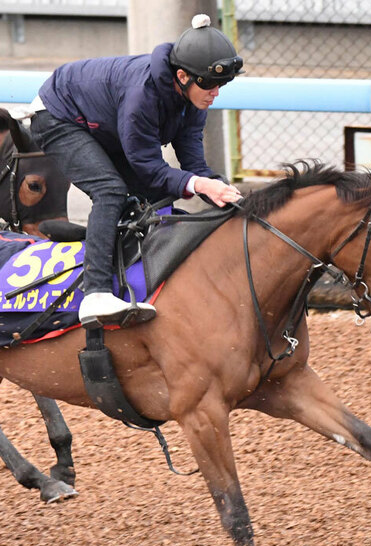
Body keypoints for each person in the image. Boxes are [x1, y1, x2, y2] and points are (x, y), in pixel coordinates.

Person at [29, 14, 245, 328]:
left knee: (154, 197)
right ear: (182, 76)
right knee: (110, 191)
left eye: (221, 85)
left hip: (106, 123)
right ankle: (96, 294)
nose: (215, 92)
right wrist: (199, 185)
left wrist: (222, 191)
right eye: (209, 84)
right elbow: (149, 167)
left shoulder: (194, 101)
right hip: (59, 115)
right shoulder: (143, 95)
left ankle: (146, 281)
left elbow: (194, 168)